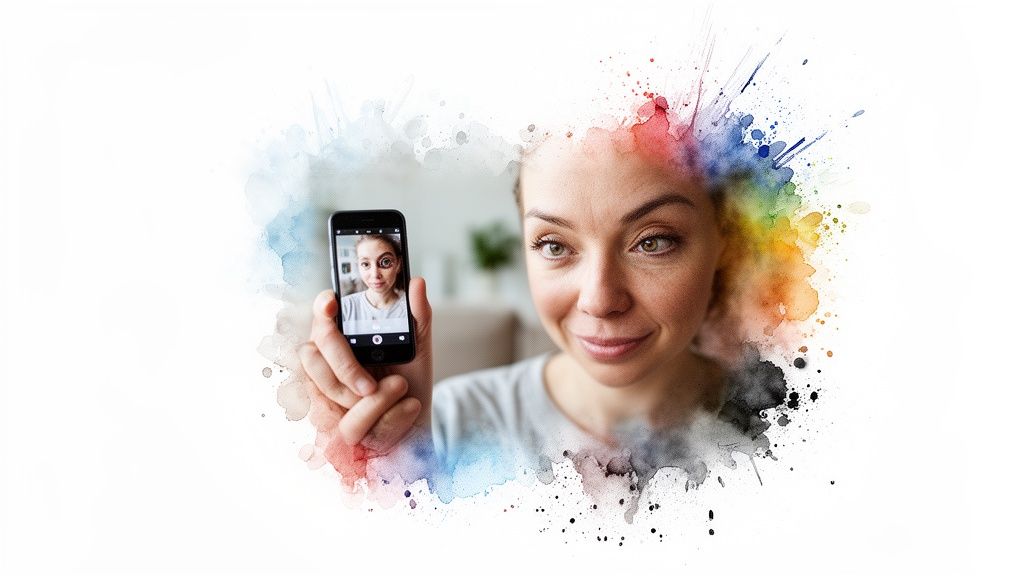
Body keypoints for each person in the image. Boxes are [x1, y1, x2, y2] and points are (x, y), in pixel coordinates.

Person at [297, 97, 794, 495]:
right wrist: (388, 473)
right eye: (554, 245)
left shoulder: (793, 422)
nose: (599, 300)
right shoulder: (448, 426)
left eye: (653, 241)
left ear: (723, 241)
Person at [338, 234, 409, 335]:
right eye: (365, 264)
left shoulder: (411, 307)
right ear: (358, 267)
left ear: (398, 264)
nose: (375, 274)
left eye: (386, 261)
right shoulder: (344, 307)